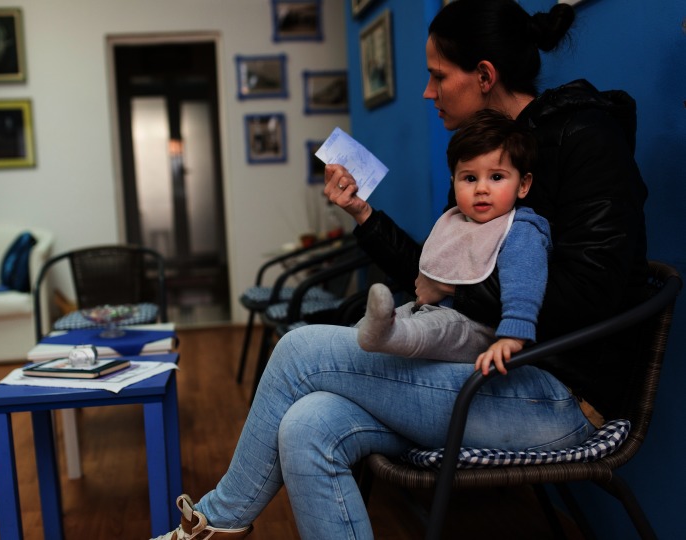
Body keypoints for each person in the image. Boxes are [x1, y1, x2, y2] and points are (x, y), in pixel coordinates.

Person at [151, 0, 648, 538]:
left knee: (296, 350)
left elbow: (588, 295)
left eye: (437, 76)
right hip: (481, 370)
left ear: (484, 76)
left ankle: (214, 524)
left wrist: (458, 287)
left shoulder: (584, 139)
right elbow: (435, 277)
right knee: (306, 424)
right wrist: (363, 215)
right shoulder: (486, 159)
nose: (427, 93)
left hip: (558, 396)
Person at [357, 108, 551, 377]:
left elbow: (524, 283)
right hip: (432, 313)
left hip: (479, 329)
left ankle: (386, 336)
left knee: (437, 326)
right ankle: (362, 334)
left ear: (523, 185)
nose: (481, 188)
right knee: (400, 316)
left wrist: (513, 336)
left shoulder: (521, 228)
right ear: (454, 182)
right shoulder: (455, 221)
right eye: (470, 178)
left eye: (496, 177)